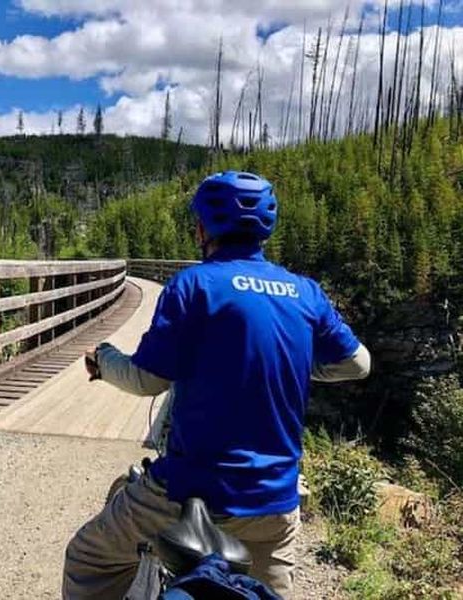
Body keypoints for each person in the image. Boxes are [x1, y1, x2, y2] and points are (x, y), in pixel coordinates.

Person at [62, 171, 371, 599]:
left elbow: (147, 379)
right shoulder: (306, 293)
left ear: (203, 228)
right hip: (273, 503)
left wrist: (106, 360)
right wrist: (290, 363)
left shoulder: (194, 285)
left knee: (88, 558)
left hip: (189, 495)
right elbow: (358, 363)